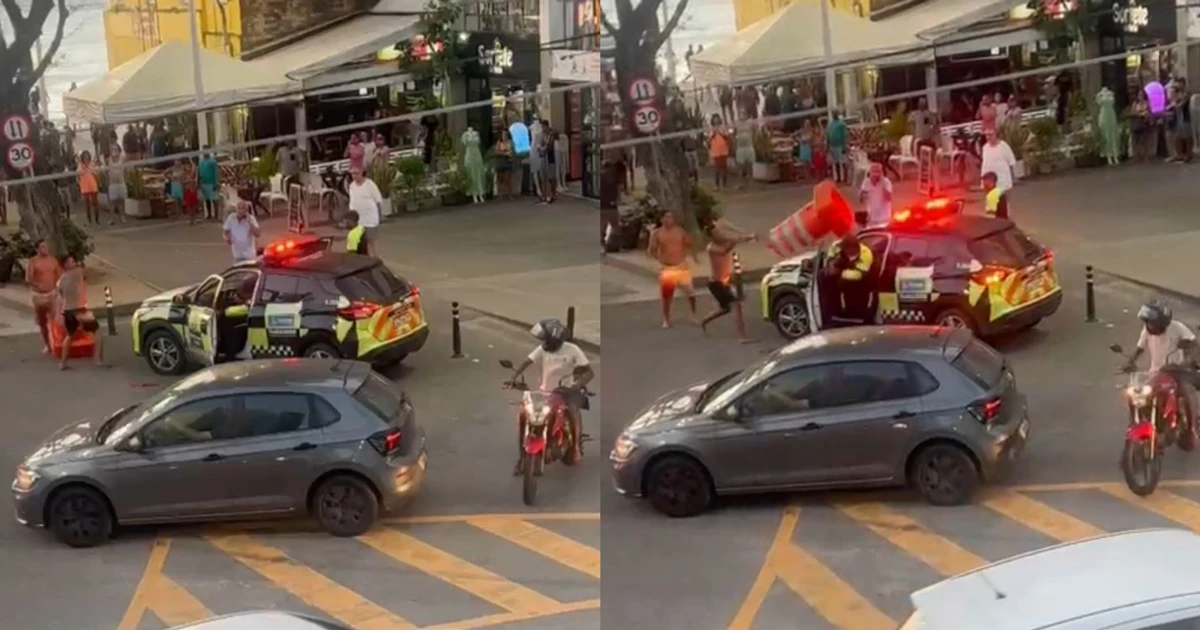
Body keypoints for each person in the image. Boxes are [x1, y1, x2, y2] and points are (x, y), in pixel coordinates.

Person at [505, 318, 594, 471]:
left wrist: (575, 386)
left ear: (555, 341)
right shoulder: (542, 349)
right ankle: (522, 457)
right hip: (545, 392)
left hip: (566, 391)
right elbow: (527, 361)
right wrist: (513, 378)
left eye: (546, 341)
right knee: (523, 415)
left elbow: (589, 372)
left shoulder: (572, 349)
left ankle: (574, 450)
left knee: (572, 411)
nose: (544, 344)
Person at [1123, 301, 1200, 424]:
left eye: (1152, 323)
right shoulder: (1147, 330)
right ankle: (1135, 421)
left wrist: (1187, 361)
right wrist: (1130, 362)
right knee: (1135, 393)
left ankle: (1192, 429)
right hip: (1156, 372)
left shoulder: (1177, 328)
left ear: (1162, 323)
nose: (1149, 326)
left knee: (1186, 391)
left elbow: (1194, 346)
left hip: (1177, 372)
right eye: (1147, 322)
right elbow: (1140, 348)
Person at [699, 217, 756, 342]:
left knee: (725, 308)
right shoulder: (711, 247)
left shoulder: (722, 241)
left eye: (719, 232)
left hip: (722, 282)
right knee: (736, 306)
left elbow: (730, 240)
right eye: (716, 234)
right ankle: (742, 337)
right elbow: (726, 249)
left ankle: (704, 321)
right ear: (712, 236)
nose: (719, 235)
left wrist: (746, 237)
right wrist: (740, 238)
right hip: (716, 283)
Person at [648, 211, 698, 328]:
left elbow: (689, 244)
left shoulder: (680, 231)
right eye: (666, 217)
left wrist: (694, 257)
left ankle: (693, 314)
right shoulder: (657, 233)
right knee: (667, 296)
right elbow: (651, 250)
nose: (669, 219)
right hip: (667, 268)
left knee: (691, 293)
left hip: (681, 267)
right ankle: (666, 319)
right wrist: (658, 258)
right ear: (661, 219)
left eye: (670, 217)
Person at [56, 254, 106, 370]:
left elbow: (60, 297)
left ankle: (63, 363)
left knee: (69, 336)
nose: (74, 263)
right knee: (97, 331)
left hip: (68, 310)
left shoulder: (60, 281)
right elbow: (87, 272)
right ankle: (98, 359)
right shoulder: (77, 272)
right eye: (72, 261)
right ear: (66, 265)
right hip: (80, 309)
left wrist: (59, 314)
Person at [824, 232, 874, 322]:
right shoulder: (836, 246)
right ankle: (833, 311)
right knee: (825, 279)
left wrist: (838, 273)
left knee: (845, 284)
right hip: (842, 271)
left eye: (847, 249)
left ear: (854, 248)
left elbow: (859, 274)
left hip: (861, 280)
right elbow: (830, 256)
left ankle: (855, 313)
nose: (845, 251)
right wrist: (831, 266)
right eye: (844, 248)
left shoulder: (866, 254)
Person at [25, 239, 61, 354]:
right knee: (42, 322)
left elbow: (59, 275)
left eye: (46, 247)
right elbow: (28, 279)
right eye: (42, 247)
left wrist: (57, 287)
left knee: (55, 320)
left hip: (52, 294)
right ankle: (47, 344)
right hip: (38, 296)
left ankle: (56, 343)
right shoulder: (32, 262)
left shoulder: (53, 260)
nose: (45, 249)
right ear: (37, 249)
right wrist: (38, 285)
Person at [347, 167, 383, 256]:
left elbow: (378, 200)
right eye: (352, 174)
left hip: (370, 219)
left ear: (362, 173)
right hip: (358, 221)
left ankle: (376, 259)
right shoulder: (351, 186)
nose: (354, 176)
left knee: (372, 241)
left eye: (356, 173)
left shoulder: (370, 184)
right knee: (362, 243)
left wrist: (380, 215)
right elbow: (352, 200)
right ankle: (366, 259)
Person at [980, 127, 1017, 195]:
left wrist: (1013, 177)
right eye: (986, 135)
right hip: (989, 181)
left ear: (996, 135)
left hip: (1003, 180)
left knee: (1004, 202)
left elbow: (1011, 162)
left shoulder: (1003, 146)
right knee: (992, 202)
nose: (988, 137)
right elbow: (984, 164)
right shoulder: (985, 147)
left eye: (990, 135)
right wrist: (983, 181)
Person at [859, 162, 893, 227]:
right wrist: (862, 194)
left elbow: (889, 198)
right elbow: (861, 200)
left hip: (884, 219)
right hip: (871, 219)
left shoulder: (886, 182)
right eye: (873, 171)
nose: (875, 174)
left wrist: (882, 183)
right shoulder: (866, 182)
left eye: (877, 171)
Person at [707, 114, 731, 190]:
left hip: (724, 150)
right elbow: (710, 139)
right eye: (715, 119)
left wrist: (720, 132)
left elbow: (726, 136)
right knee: (717, 169)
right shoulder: (711, 129)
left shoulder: (723, 127)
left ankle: (725, 184)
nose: (716, 120)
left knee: (724, 168)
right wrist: (714, 131)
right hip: (716, 151)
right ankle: (716, 185)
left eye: (717, 118)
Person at [77, 151, 100, 225]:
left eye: (87, 156)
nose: (86, 158)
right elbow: (79, 173)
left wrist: (91, 167)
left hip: (92, 185)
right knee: (87, 204)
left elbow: (96, 172)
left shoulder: (92, 163)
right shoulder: (80, 164)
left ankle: (97, 219)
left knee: (95, 203)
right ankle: (89, 219)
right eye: (84, 156)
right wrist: (84, 167)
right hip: (84, 186)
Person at [826, 110, 849, 184]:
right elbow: (828, 135)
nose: (834, 115)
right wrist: (828, 146)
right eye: (833, 114)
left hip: (840, 145)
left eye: (835, 114)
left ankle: (845, 178)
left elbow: (845, 135)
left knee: (843, 162)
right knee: (836, 163)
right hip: (833, 145)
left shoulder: (841, 124)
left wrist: (845, 145)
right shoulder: (830, 125)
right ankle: (838, 178)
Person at [198, 147, 220, 221]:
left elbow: (216, 173)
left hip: (211, 183)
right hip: (204, 183)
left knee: (214, 199)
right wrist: (198, 183)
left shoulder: (212, 162)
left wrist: (216, 182)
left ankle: (216, 215)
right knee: (207, 200)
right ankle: (209, 214)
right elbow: (199, 172)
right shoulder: (201, 162)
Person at [107, 146, 127, 224]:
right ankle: (112, 219)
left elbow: (125, 169)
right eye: (113, 150)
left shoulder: (122, 159)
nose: (114, 151)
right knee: (112, 202)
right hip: (112, 184)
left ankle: (122, 217)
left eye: (116, 150)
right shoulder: (109, 160)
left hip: (121, 183)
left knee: (121, 202)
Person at [734, 120, 756, 190]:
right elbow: (734, 135)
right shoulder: (737, 123)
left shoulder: (750, 123)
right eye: (741, 113)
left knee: (749, 166)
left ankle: (750, 183)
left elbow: (754, 132)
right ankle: (741, 183)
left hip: (748, 147)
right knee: (740, 167)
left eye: (744, 113)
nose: (742, 115)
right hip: (740, 148)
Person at [494, 130, 514, 200]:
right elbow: (496, 151)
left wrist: (507, 153)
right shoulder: (499, 142)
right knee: (500, 178)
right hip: (500, 161)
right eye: (503, 135)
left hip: (508, 161)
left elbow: (512, 151)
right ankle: (501, 194)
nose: (504, 136)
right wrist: (504, 153)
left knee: (508, 179)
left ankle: (509, 194)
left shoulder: (510, 142)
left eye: (505, 135)